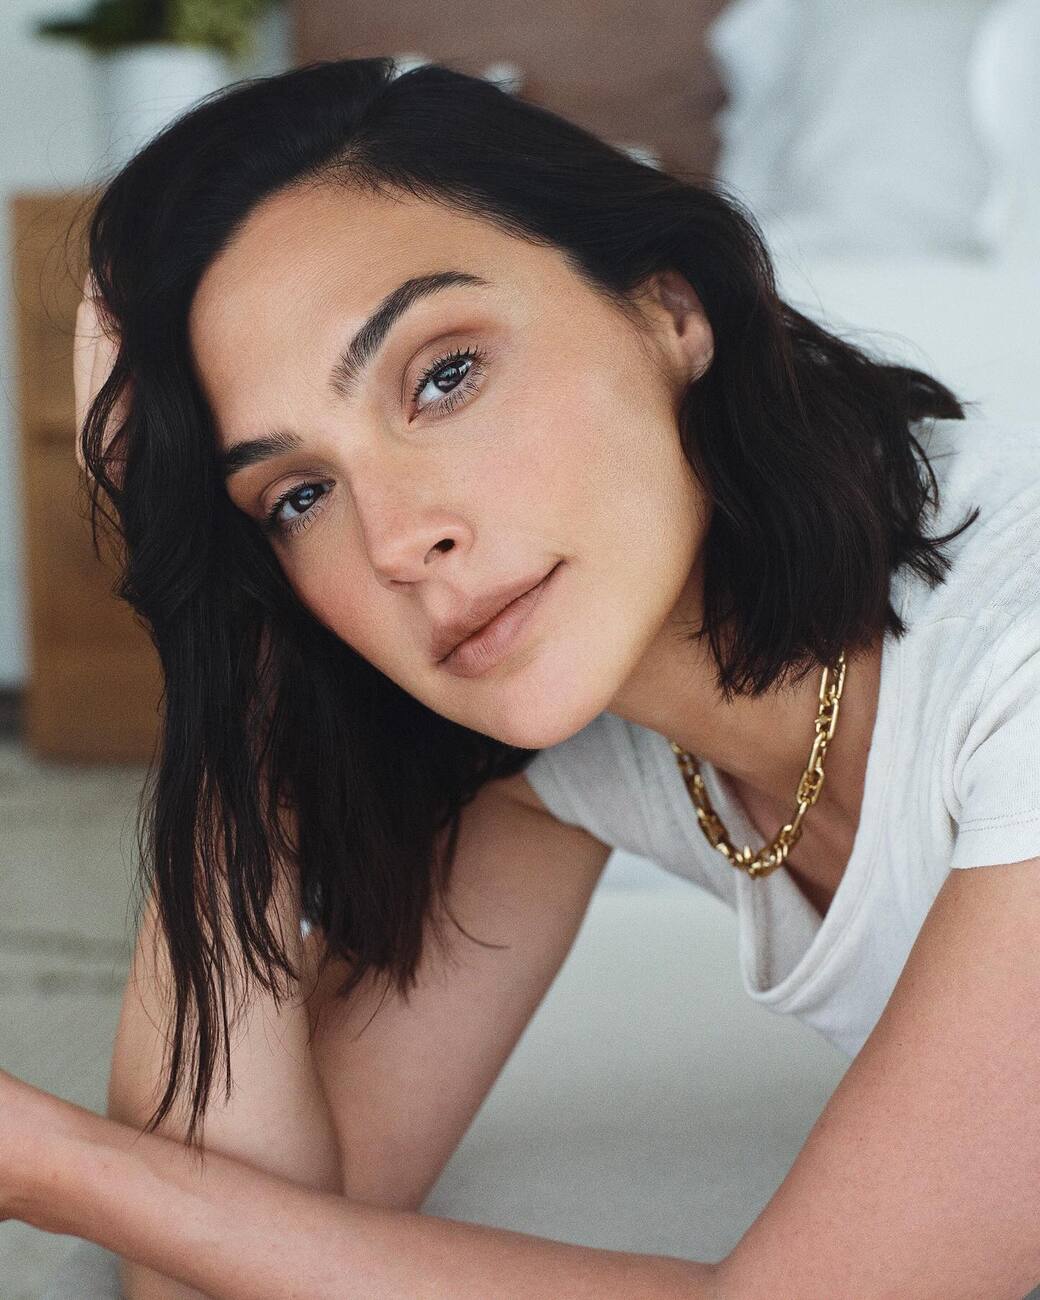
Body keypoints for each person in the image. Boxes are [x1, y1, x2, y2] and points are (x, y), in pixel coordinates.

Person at [2, 55, 1039, 1299]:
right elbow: (228, 1251)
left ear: (667, 308)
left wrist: (53, 1165)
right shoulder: (584, 750)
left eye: (444, 375)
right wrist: (221, 631)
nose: (398, 540)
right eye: (298, 496)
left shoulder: (1014, 659)